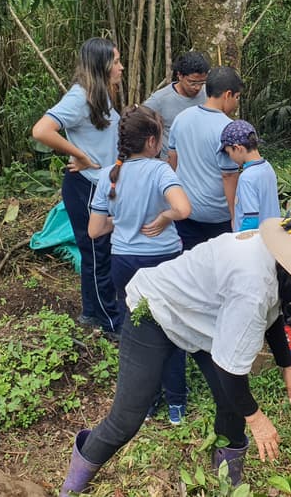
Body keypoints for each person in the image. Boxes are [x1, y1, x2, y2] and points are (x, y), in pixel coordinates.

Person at [57, 211, 291, 495]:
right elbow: (230, 369)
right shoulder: (252, 285)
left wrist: (288, 366)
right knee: (127, 418)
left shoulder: (273, 259)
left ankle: (227, 482)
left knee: (232, 403)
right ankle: (72, 486)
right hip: (156, 311)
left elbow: (273, 310)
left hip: (202, 319)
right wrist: (257, 421)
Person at [88, 105, 192, 424]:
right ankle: (176, 403)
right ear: (151, 141)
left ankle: (145, 403)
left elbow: (95, 229)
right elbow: (183, 209)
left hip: (124, 262)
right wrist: (163, 216)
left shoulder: (109, 175)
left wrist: (122, 223)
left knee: (135, 333)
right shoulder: (160, 171)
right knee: (170, 327)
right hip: (162, 261)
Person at [32, 38, 123, 337]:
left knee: (94, 251)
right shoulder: (79, 97)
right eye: (116, 62)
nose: (121, 68)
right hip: (85, 186)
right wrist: (81, 155)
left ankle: (90, 313)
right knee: (98, 252)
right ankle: (111, 323)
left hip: (99, 186)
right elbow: (42, 130)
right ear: (102, 66)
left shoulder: (100, 95)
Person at [168, 66, 242, 250]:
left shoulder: (182, 118)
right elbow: (229, 176)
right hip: (217, 216)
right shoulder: (228, 128)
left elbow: (172, 159)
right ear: (228, 95)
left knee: (190, 266)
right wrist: (235, 216)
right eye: (237, 97)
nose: (237, 103)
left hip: (186, 210)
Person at [143, 51, 210, 161]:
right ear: (179, 75)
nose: (197, 88)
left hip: (200, 164)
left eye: (201, 83)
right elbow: (137, 122)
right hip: (171, 166)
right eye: (192, 82)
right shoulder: (160, 99)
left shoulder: (208, 94)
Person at [221, 120, 281, 232]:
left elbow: (251, 220)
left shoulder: (247, 178)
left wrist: (239, 242)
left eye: (229, 153)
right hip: (271, 236)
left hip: (253, 242)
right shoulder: (267, 167)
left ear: (238, 148)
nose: (230, 158)